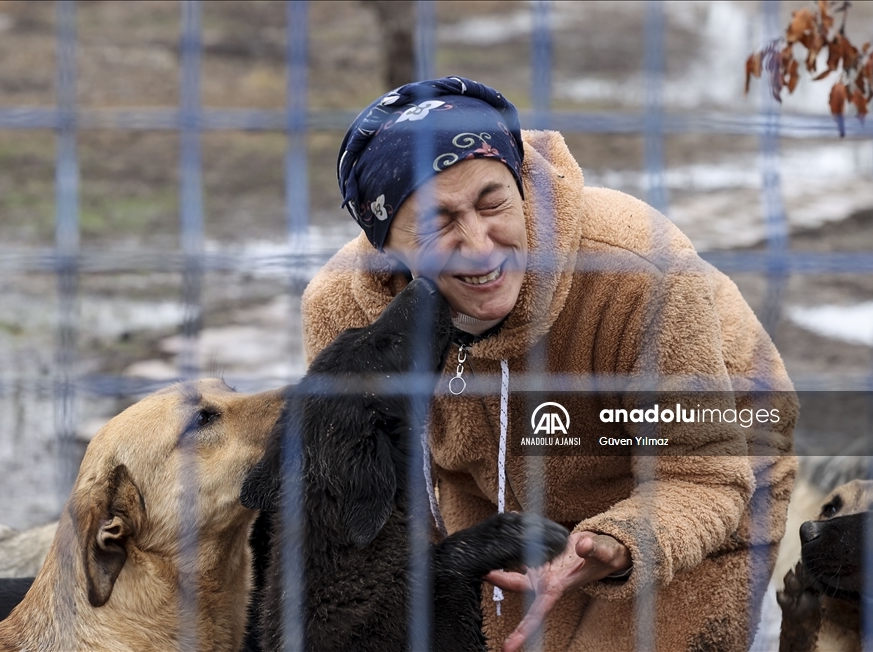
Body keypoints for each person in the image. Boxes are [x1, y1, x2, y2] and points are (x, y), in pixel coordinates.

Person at [302, 77, 798, 651]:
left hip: (709, 476)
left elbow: (706, 477)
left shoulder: (638, 273)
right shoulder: (345, 313)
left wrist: (621, 541)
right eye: (439, 224)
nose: (481, 245)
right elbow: (371, 489)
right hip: (493, 496)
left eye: (494, 205)